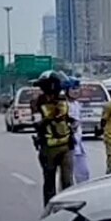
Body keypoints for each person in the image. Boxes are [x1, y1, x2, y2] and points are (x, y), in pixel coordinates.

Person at [31, 71, 75, 205]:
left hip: (66, 146)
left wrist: (71, 122)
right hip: (48, 148)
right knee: (49, 182)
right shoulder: (38, 102)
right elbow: (37, 124)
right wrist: (51, 117)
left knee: (67, 182)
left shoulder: (64, 101)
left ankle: (67, 208)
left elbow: (69, 118)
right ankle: (49, 211)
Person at [63, 78, 91, 184]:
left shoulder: (77, 104)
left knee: (84, 174)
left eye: (77, 89)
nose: (76, 91)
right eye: (73, 89)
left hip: (78, 145)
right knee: (67, 177)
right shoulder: (63, 105)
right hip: (67, 145)